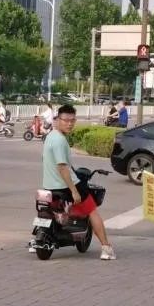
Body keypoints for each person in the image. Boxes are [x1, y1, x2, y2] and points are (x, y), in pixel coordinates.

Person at [42, 104, 116, 260]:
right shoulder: (60, 141)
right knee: (92, 211)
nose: (69, 124)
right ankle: (106, 248)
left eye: (72, 120)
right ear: (57, 120)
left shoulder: (50, 136)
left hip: (49, 185)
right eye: (66, 120)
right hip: (67, 184)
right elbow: (62, 167)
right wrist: (74, 190)